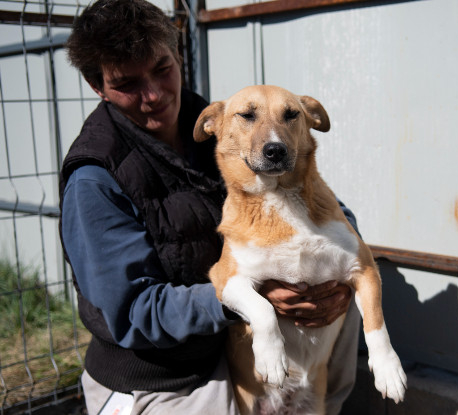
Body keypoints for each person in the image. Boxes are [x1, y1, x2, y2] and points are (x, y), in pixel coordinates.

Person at [60, 0, 360, 413]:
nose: (153, 94)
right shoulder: (94, 179)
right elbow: (135, 312)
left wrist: (340, 265)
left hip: (227, 340)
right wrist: (252, 297)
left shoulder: (228, 123)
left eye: (162, 69)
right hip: (164, 374)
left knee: (343, 293)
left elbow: (321, 202)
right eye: (127, 83)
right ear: (98, 87)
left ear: (177, 55)